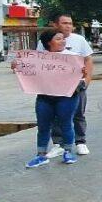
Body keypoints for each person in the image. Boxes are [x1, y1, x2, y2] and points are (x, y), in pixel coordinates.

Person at [21, 29, 84, 168]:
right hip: (45, 97)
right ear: (49, 42)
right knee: (43, 126)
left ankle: (68, 152)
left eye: (63, 38)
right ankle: (41, 155)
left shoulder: (73, 57)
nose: (63, 41)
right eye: (58, 39)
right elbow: (27, 71)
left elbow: (83, 74)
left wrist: (83, 74)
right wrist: (18, 66)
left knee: (66, 123)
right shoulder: (38, 58)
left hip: (67, 97)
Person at [38, 13, 94, 157]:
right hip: (52, 88)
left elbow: (88, 61)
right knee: (56, 116)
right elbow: (35, 62)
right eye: (64, 23)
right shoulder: (43, 41)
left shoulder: (79, 40)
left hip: (75, 87)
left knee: (78, 114)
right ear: (56, 25)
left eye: (70, 23)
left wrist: (86, 81)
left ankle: (80, 142)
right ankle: (58, 143)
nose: (68, 26)